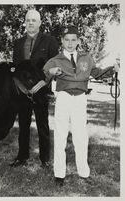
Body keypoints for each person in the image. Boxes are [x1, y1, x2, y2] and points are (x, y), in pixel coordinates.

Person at [43, 25, 119, 186]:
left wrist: (113, 69)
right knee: (60, 135)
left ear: (78, 41)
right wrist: (51, 72)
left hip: (80, 98)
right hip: (63, 97)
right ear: (62, 41)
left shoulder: (86, 57)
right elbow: (43, 76)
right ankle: (59, 174)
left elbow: (98, 73)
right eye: (66, 40)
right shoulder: (55, 60)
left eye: (73, 40)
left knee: (81, 136)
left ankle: (84, 173)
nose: (70, 43)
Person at [11, 9, 59, 168]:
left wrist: (43, 83)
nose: (30, 22)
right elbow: (16, 68)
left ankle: (45, 160)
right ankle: (22, 156)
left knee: (42, 125)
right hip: (22, 92)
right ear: (25, 22)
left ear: (39, 23)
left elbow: (55, 65)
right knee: (23, 125)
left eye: (34, 20)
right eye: (28, 20)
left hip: (41, 90)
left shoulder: (50, 41)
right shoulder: (17, 43)